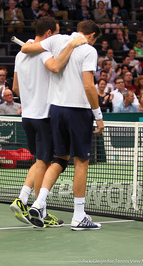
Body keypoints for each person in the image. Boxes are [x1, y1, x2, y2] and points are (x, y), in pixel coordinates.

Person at [21, 20, 104, 230]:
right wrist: (98, 115)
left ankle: (39, 203)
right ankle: (78, 216)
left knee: (59, 158)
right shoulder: (88, 49)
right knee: (81, 162)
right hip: (78, 110)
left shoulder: (56, 39)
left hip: (56, 110)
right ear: (92, 35)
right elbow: (88, 85)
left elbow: (26, 47)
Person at [10, 16, 87, 227]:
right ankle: (27, 201)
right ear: (49, 34)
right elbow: (55, 68)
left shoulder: (20, 54)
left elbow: (16, 87)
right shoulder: (44, 52)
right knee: (44, 162)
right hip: (43, 116)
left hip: (27, 116)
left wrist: (31, 93)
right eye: (57, 32)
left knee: (40, 161)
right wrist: (71, 45)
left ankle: (37, 209)